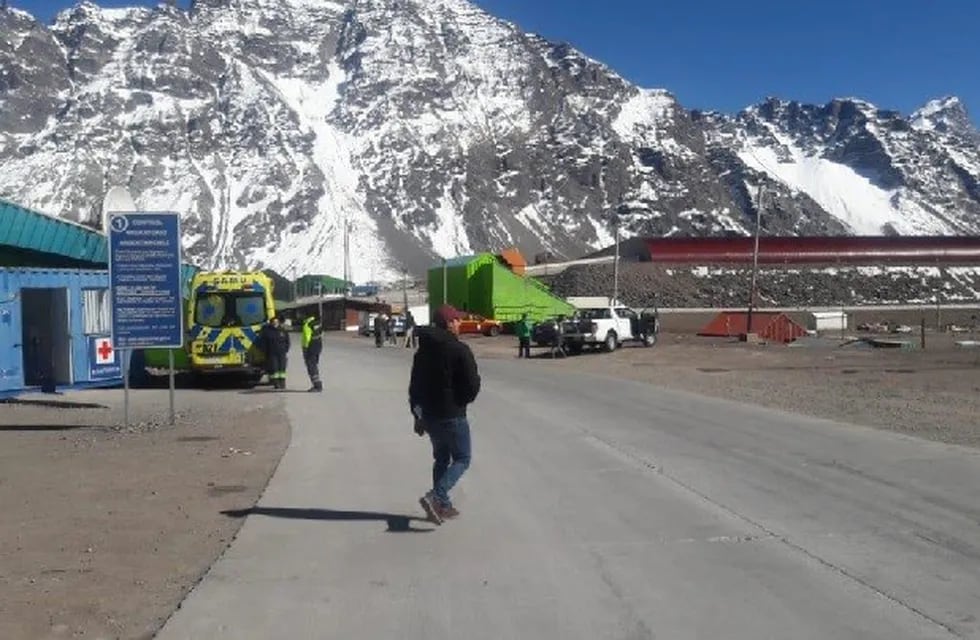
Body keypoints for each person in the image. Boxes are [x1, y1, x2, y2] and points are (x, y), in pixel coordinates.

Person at [409, 304, 481, 524]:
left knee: (441, 457)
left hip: (429, 415)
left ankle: (443, 505)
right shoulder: (459, 349)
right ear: (449, 323)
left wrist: (417, 414)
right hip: (452, 414)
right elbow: (471, 384)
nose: (459, 323)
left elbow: (415, 385)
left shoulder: (423, 350)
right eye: (456, 320)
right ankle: (436, 495)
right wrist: (462, 401)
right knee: (462, 458)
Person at [259, 316, 290, 389]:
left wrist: (286, 349)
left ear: (278, 322)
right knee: (274, 369)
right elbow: (263, 343)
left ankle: (282, 383)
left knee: (282, 369)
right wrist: (266, 351)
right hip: (272, 353)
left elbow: (287, 341)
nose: (275, 323)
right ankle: (276, 384)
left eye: (276, 322)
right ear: (271, 323)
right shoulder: (267, 331)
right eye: (274, 322)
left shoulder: (282, 330)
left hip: (282, 353)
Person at [301, 313, 323, 392]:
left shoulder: (307, 325)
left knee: (311, 366)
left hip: (310, 348)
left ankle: (317, 386)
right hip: (318, 346)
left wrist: (305, 349)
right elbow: (321, 334)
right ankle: (317, 384)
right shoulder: (317, 323)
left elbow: (307, 338)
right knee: (314, 365)